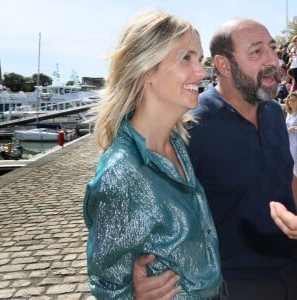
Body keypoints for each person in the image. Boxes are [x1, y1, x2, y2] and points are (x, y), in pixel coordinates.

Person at [133, 18, 297, 300]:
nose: (274, 60)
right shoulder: (190, 126)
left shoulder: (273, 113)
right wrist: (136, 275)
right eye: (257, 52)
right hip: (235, 284)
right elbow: (152, 210)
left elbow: (286, 177)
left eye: (272, 48)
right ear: (224, 65)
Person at [83, 9, 224, 299]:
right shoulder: (122, 174)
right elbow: (107, 286)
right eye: (186, 58)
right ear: (147, 68)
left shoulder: (175, 142)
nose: (201, 72)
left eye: (199, 59)